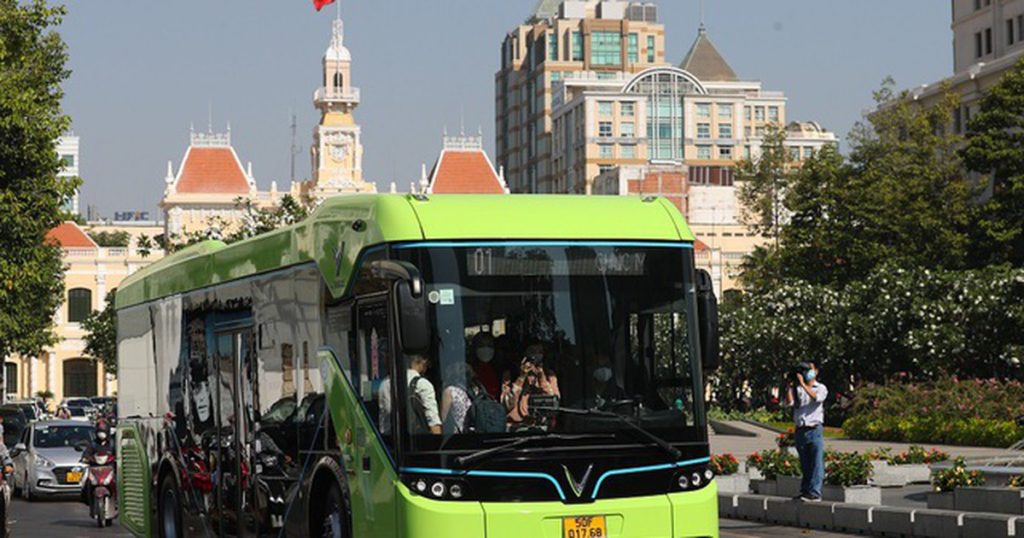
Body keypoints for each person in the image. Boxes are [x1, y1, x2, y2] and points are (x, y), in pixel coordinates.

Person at [786, 361, 828, 502]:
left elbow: (816, 398)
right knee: (805, 463)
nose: (806, 372)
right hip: (800, 430)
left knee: (816, 463)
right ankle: (805, 491)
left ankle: (815, 492)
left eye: (809, 369)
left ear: (816, 371)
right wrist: (789, 387)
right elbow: (790, 403)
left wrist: (803, 384)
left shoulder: (820, 388)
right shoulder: (797, 389)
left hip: (814, 429)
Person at [502, 352, 560, 427]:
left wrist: (541, 377)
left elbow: (552, 405)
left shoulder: (549, 375)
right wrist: (522, 377)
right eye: (532, 351)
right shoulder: (510, 375)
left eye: (539, 353)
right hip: (515, 426)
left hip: (540, 426)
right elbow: (508, 404)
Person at [468, 332, 501, 399]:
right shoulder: (470, 370)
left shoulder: (500, 368)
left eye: (489, 345)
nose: (486, 348)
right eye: (481, 345)